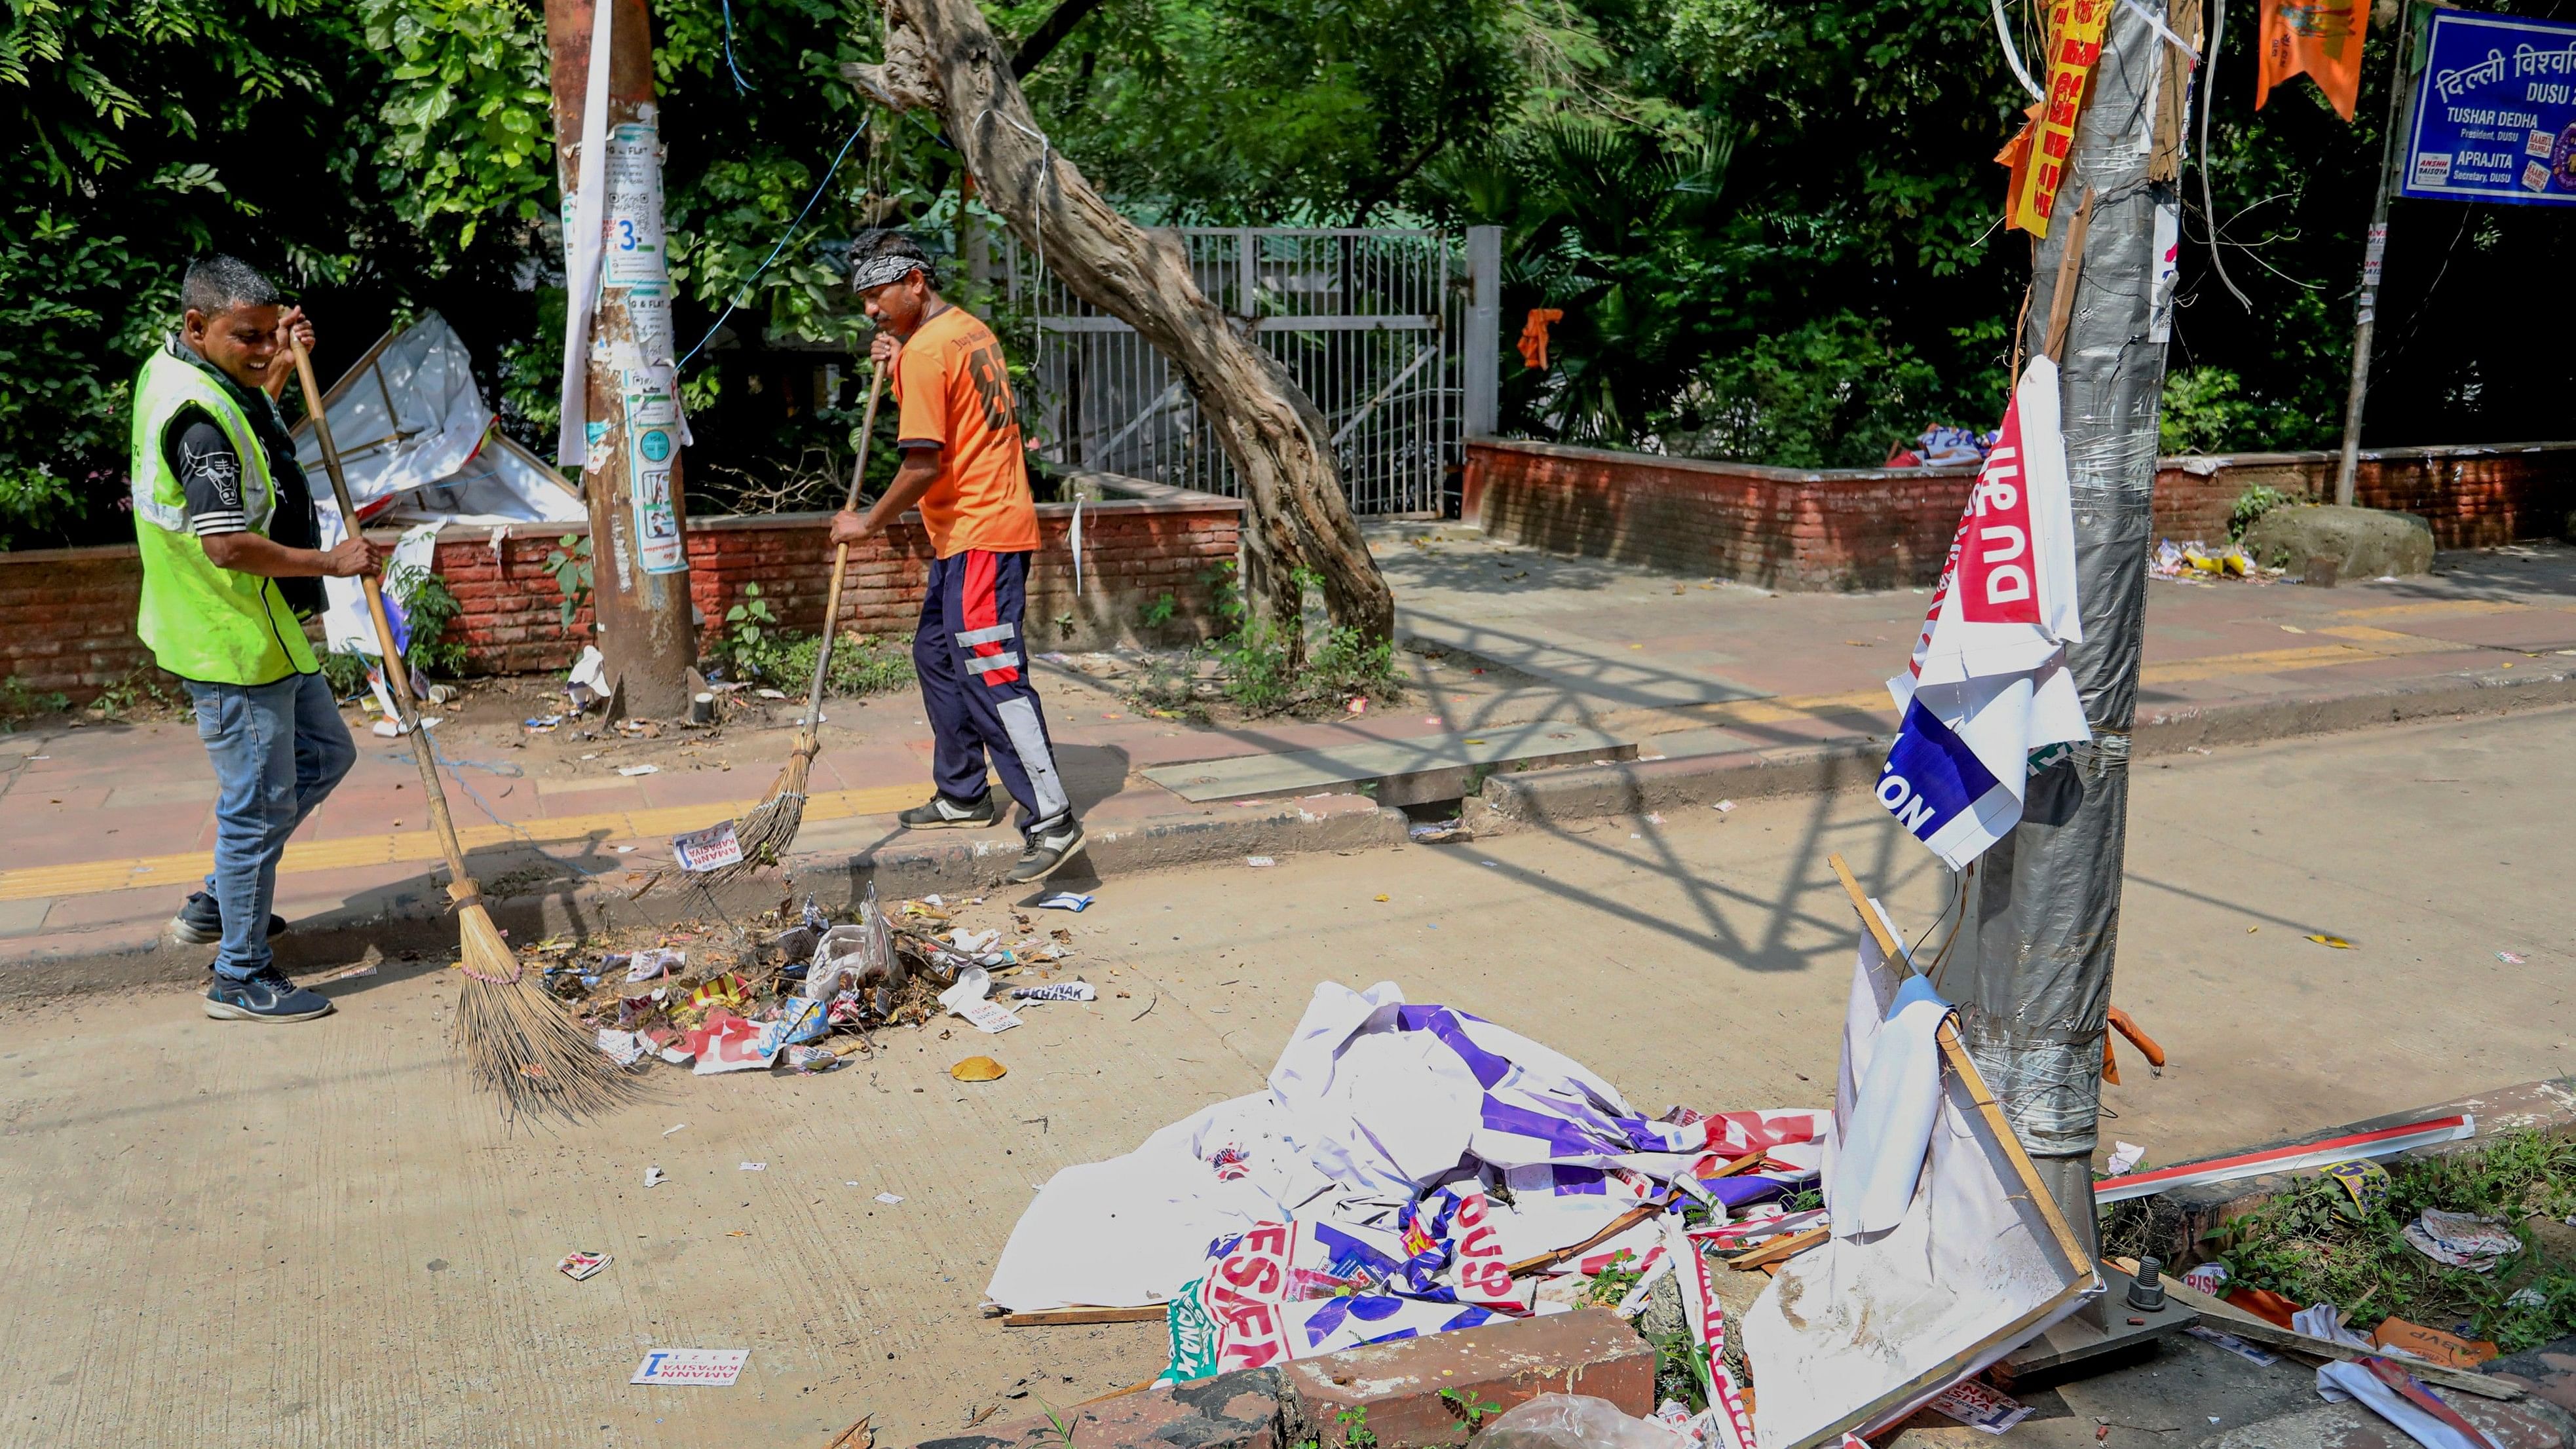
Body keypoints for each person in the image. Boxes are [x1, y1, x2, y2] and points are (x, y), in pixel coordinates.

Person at [132, 254, 381, 1022]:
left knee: (324, 758)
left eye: (274, 332)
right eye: (251, 337)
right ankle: (239, 974)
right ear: (197, 326)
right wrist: (333, 562)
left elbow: (256, 437)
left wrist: (280, 365)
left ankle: (219, 899)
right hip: (227, 638)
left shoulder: (187, 377)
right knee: (259, 804)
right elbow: (227, 543)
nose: (267, 349)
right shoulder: (198, 418)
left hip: (260, 627)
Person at [829, 232, 1084, 884]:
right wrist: (895, 365)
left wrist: (867, 523)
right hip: (971, 531)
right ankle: (964, 790)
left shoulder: (925, 351)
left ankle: (1051, 819)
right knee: (936, 653)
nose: (870, 312)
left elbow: (922, 462)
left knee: (993, 674)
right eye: (862, 301)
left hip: (980, 533)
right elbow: (952, 419)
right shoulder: (969, 332)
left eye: (877, 295)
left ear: (914, 281)